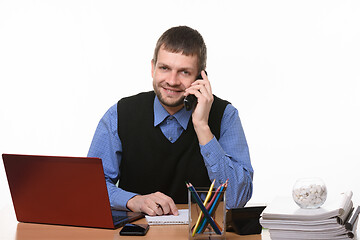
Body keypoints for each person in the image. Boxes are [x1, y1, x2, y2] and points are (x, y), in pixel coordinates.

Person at [87, 26, 253, 216]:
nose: (172, 81)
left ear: (201, 77)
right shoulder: (119, 114)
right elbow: (91, 187)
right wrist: (134, 200)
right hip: (137, 235)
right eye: (164, 68)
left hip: (200, 235)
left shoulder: (225, 116)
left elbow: (237, 199)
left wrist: (202, 127)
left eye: (184, 72)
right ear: (152, 67)